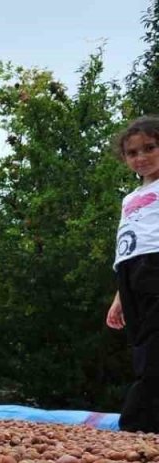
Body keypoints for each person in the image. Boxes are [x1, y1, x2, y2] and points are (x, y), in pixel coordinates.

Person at [107, 115, 159, 432]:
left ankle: (140, 423)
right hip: (130, 271)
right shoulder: (130, 198)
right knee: (142, 344)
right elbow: (127, 244)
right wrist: (119, 297)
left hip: (156, 265)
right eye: (132, 152)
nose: (141, 157)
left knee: (155, 343)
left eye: (150, 148)